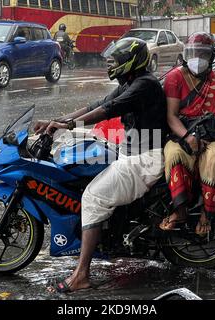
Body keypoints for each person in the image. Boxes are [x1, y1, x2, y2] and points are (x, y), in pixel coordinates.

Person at [33, 38, 168, 292]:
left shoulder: (144, 85)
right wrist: (56, 121)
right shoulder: (131, 81)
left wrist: (70, 126)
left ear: (130, 62)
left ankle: (81, 275)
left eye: (115, 60)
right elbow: (96, 105)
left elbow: (109, 110)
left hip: (144, 160)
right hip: (131, 152)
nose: (111, 63)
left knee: (92, 197)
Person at [160, 32, 215, 236]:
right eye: (193, 53)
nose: (197, 59)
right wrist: (188, 137)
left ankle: (206, 214)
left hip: (210, 137)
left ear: (211, 57)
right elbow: (171, 116)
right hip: (181, 134)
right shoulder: (175, 78)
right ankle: (181, 210)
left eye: (202, 54)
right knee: (174, 155)